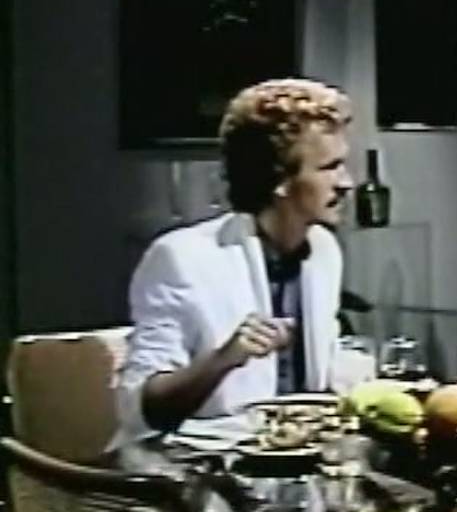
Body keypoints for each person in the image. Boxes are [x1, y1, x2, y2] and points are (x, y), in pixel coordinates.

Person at [115, 78, 354, 443]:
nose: (346, 183)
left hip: (299, 457)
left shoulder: (323, 251)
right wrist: (226, 358)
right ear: (280, 179)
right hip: (197, 464)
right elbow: (146, 408)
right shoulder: (182, 258)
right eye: (329, 167)